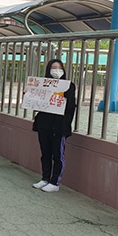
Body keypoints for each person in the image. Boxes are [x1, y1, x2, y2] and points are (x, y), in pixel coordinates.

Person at [31, 59, 76, 192]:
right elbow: (34, 100)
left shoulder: (69, 86)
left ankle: (55, 182)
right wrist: (28, 92)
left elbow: (71, 106)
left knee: (57, 154)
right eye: (53, 68)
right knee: (45, 153)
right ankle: (45, 178)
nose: (56, 70)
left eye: (59, 67)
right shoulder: (43, 85)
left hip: (59, 126)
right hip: (44, 124)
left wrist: (66, 123)